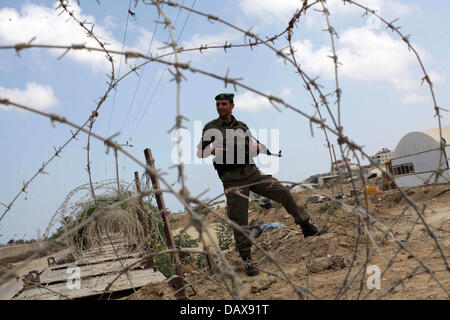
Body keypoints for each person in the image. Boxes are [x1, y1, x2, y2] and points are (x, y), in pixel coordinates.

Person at [197, 93, 324, 276]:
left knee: (283, 192)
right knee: (239, 220)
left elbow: (252, 148)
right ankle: (247, 259)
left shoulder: (242, 127)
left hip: (252, 173)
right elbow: (200, 152)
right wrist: (215, 149)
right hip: (232, 180)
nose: (220, 107)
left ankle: (306, 226)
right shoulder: (211, 127)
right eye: (217, 104)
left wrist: (257, 148)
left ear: (232, 106)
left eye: (224, 104)